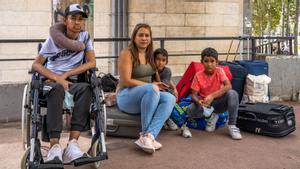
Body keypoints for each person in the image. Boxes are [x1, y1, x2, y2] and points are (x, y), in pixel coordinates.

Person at [32, 3, 96, 164]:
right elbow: (37, 65)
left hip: (73, 82)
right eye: (73, 18)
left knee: (87, 89)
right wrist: (57, 77)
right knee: (57, 89)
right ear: (65, 21)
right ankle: (54, 147)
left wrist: (67, 74)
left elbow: (91, 63)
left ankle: (73, 145)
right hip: (52, 81)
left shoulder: (85, 37)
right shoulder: (52, 40)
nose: (77, 22)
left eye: (80, 19)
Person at [116, 23, 176, 154]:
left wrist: (170, 86)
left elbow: (156, 77)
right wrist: (151, 86)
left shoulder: (150, 55)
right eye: (141, 35)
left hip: (147, 94)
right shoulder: (127, 53)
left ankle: (149, 136)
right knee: (152, 89)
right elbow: (125, 81)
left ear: (150, 38)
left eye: (147, 35)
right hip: (126, 96)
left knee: (170, 98)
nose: (144, 38)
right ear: (134, 37)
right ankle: (144, 134)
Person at [185, 47, 242, 140]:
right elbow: (194, 95)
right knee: (190, 110)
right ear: (202, 62)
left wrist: (212, 95)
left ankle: (232, 125)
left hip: (219, 103)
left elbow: (228, 86)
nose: (209, 64)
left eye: (212, 61)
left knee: (232, 94)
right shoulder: (198, 75)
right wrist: (199, 101)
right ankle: (211, 117)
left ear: (217, 62)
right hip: (206, 105)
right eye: (206, 61)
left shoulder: (219, 71)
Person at [152, 48, 179, 131]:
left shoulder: (167, 71)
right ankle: (164, 120)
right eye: (158, 59)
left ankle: (167, 118)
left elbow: (161, 86)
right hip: (153, 93)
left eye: (163, 60)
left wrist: (156, 71)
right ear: (153, 60)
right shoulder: (149, 70)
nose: (160, 62)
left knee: (170, 97)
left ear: (166, 62)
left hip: (163, 91)